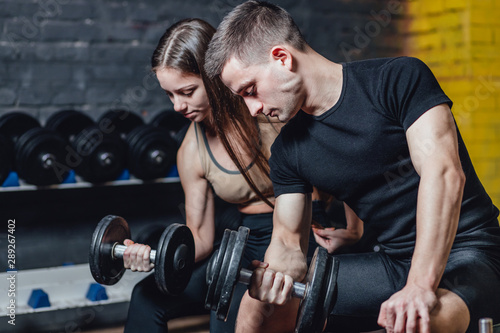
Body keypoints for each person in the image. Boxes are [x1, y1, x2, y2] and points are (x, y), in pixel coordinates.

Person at [203, 1, 500, 333]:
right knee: (259, 308)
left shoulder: (397, 79)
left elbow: (444, 174)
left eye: (251, 90)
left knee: (418, 322)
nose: (253, 108)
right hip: (393, 262)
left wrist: (419, 285)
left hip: (469, 251)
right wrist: (274, 277)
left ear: (282, 58)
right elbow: (288, 242)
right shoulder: (289, 151)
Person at [121, 18, 327, 333]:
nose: (178, 106)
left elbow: (332, 177)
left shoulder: (269, 110)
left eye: (187, 91)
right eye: (170, 95)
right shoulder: (191, 150)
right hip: (244, 240)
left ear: (214, 76)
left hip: (301, 232)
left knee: (227, 319)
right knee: (146, 296)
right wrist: (154, 256)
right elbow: (200, 238)